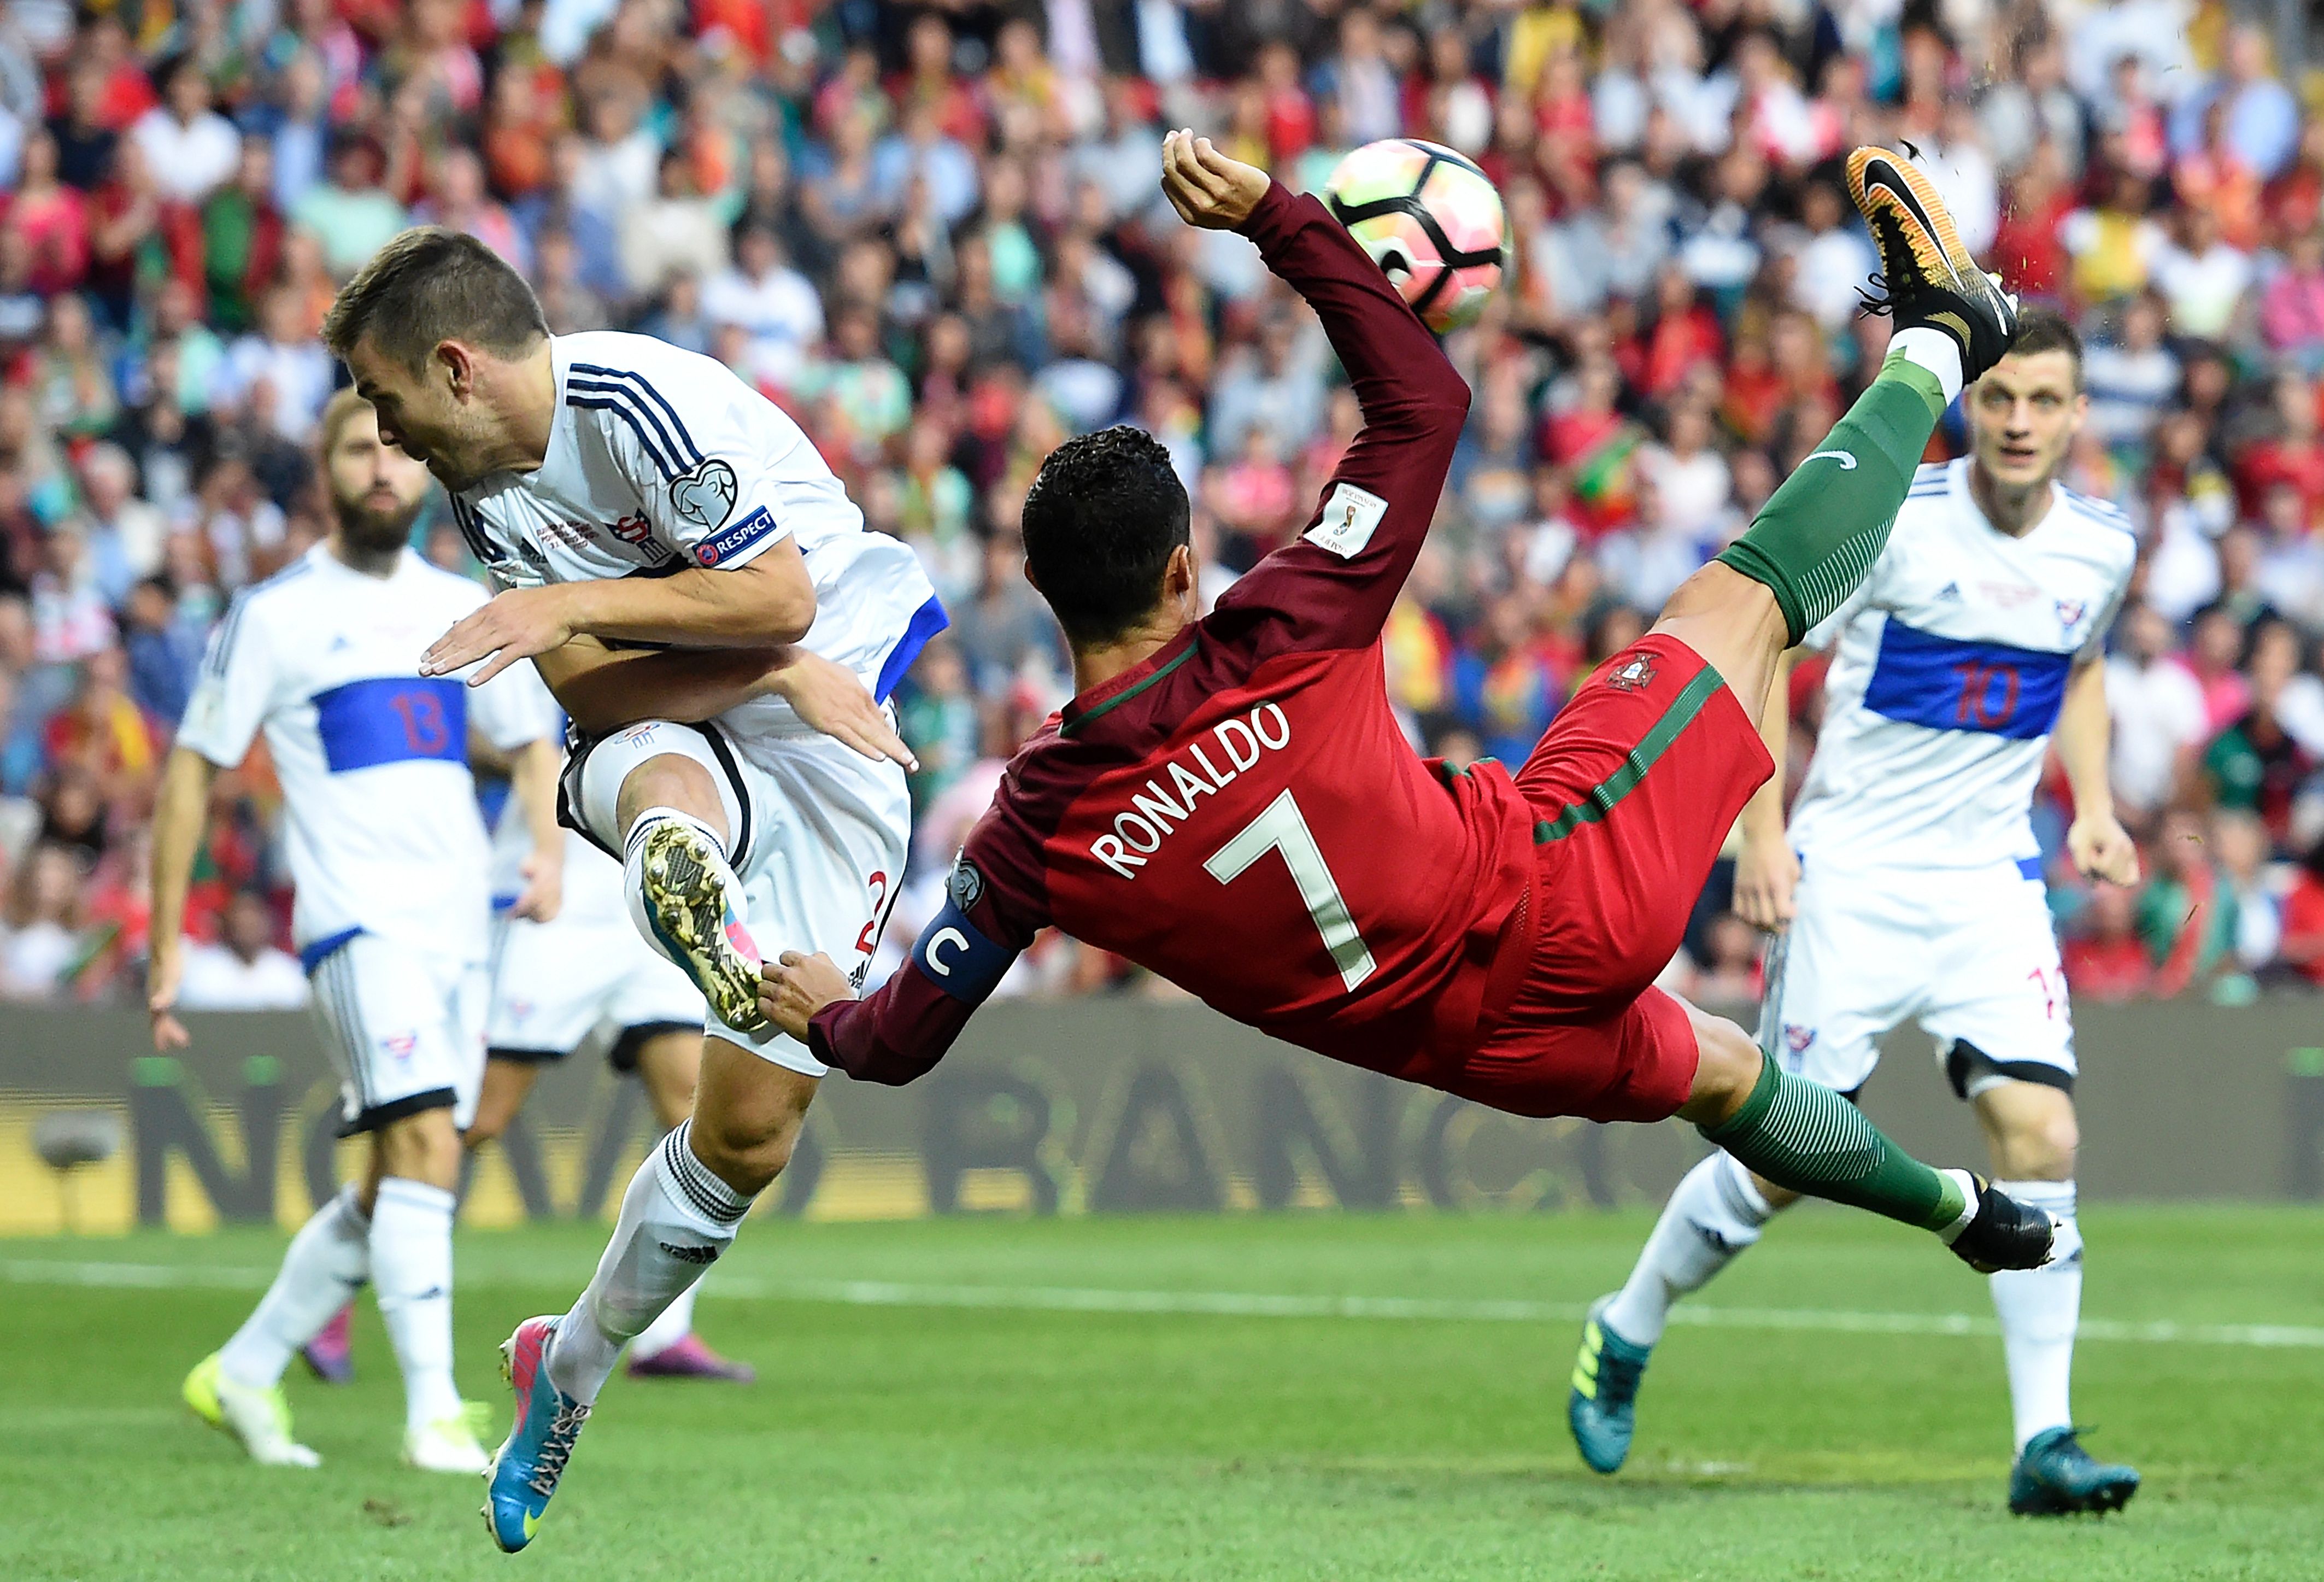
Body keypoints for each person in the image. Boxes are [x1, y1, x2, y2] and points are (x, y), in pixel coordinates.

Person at [766, 122, 2053, 1462]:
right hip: (1558, 887)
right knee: (1740, 606)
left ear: (1040, 593)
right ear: (1179, 574)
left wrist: (823, 1012)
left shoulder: (1030, 826)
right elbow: (1423, 406)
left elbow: (897, 1043)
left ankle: (1958, 1212)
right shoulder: (1281, 624)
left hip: (1474, 1053)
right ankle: (1938, 342)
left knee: (1723, 1071)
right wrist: (1279, 217)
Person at [315, 226, 940, 1551]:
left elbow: (777, 595)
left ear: (454, 365)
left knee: (750, 1135)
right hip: (696, 720)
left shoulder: (627, 403)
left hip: (838, 725)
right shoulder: (484, 488)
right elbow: (590, 693)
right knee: (648, 789)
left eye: (386, 396)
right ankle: (690, 874)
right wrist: (736, 667)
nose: (384, 430)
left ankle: (573, 1360)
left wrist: (575, 609)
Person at [1574, 308, 2143, 1515]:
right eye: (1998, 400)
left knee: (2039, 1136)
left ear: (2077, 414)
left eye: (2043, 402)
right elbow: (1766, 648)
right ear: (1969, 406)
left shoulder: (2100, 549)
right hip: (1853, 875)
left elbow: (2079, 666)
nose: (2019, 423)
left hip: (1991, 881)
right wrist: (1762, 831)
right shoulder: (1900, 523)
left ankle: (2042, 1443)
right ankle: (1625, 1325)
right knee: (1783, 1158)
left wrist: (2089, 802)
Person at [156, 391, 566, 1472]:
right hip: (355, 926)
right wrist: (162, 945)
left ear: (425, 467)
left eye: (395, 450)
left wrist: (546, 849)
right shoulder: (276, 613)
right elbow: (190, 772)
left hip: (462, 931)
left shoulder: (457, 602)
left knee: (401, 1174)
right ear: (324, 471)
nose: (380, 469)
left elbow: (529, 740)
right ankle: (432, 1411)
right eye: (355, 450)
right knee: (426, 1143)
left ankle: (242, 1371)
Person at [466, 666, 753, 1382]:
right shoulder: (546, 609)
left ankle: (661, 1334)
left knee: (696, 1103)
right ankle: (339, 1272)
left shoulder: (681, 608)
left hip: (648, 889)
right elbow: (484, 736)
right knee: (479, 1115)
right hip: (555, 896)